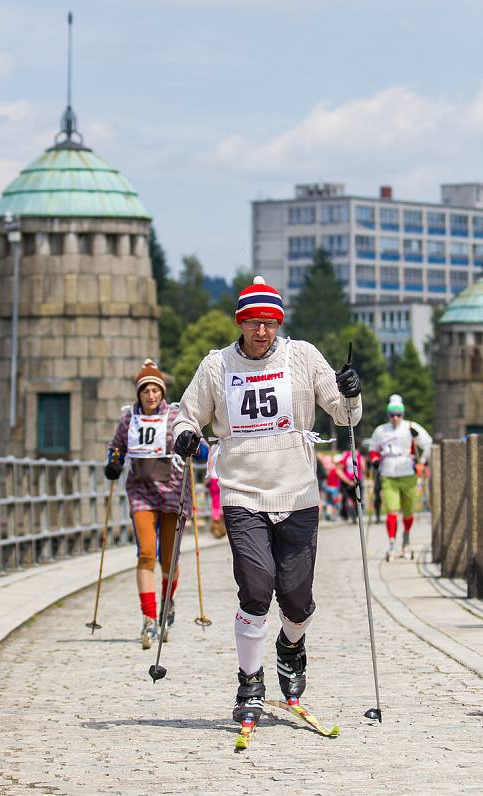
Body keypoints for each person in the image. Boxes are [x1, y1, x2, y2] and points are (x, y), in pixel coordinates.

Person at [172, 276, 362, 723]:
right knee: (256, 589)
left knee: (296, 600)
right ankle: (250, 680)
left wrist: (352, 390)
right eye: (255, 322)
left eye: (271, 322)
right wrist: (184, 435)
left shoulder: (303, 356)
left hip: (298, 491)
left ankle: (291, 644)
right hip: (242, 492)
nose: (263, 331)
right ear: (241, 323)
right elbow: (188, 415)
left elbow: (343, 414)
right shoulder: (217, 365)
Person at [104, 359, 193, 649]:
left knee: (169, 559)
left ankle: (167, 605)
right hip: (141, 489)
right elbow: (117, 445)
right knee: (145, 553)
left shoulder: (175, 415)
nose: (151, 396)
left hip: (171, 490)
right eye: (145, 391)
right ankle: (149, 618)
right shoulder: (130, 418)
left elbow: (194, 440)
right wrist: (114, 462)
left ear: (162, 392)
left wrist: (196, 446)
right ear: (139, 394)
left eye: (155, 390)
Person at [369, 394, 432, 560]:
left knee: (408, 511)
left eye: (398, 414)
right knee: (392, 510)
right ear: (388, 415)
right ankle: (391, 544)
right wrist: (375, 459)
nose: (395, 418)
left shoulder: (410, 426)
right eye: (392, 415)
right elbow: (373, 448)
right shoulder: (380, 430)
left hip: (408, 473)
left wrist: (422, 462)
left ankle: (406, 538)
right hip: (388, 473)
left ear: (403, 414)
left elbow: (428, 444)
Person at [206, 444, 226, 539]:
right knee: (224, 503)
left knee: (215, 505)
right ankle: (221, 528)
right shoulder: (225, 445)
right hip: (223, 478)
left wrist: (208, 476)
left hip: (213, 479)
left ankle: (217, 529)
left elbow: (209, 464)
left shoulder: (213, 447)